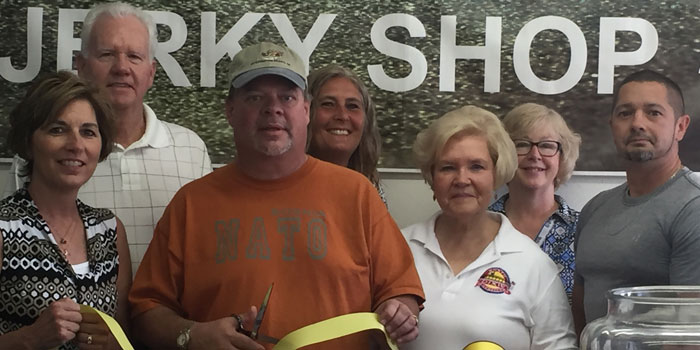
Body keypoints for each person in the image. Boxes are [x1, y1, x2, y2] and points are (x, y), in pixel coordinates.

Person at [128, 42, 424, 350]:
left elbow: (401, 292)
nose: (273, 108)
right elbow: (146, 311)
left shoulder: (357, 194)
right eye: (255, 97)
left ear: (306, 110)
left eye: (287, 97)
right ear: (230, 110)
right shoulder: (191, 204)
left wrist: (400, 311)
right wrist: (191, 335)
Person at [2, 2, 212, 274]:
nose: (121, 68)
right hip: (76, 315)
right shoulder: (45, 157)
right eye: (107, 54)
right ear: (81, 66)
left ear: (151, 73)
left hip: (170, 316)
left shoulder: (191, 150)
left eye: (134, 56)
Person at [402, 106, 577, 349]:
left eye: (476, 166)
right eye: (448, 167)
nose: (462, 179)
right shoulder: (398, 248)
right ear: (432, 177)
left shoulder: (533, 264)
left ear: (496, 174)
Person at [0, 71, 131, 350]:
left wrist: (111, 343)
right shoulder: (4, 228)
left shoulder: (109, 230)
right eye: (57, 129)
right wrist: (29, 339)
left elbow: (124, 335)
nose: (76, 145)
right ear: (29, 142)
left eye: (88, 132)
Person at [572, 69, 700, 334]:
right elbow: (580, 310)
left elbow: (690, 334)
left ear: (681, 126)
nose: (637, 123)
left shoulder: (693, 208)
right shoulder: (594, 209)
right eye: (625, 113)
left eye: (653, 112)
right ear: (612, 125)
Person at [488, 103, 581, 303]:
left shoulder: (585, 229)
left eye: (547, 145)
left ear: (562, 157)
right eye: (522, 144)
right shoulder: (480, 226)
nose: (535, 155)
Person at [306, 65, 386, 203]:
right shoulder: (283, 185)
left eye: (352, 106)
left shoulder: (370, 189)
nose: (342, 116)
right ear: (304, 112)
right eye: (328, 104)